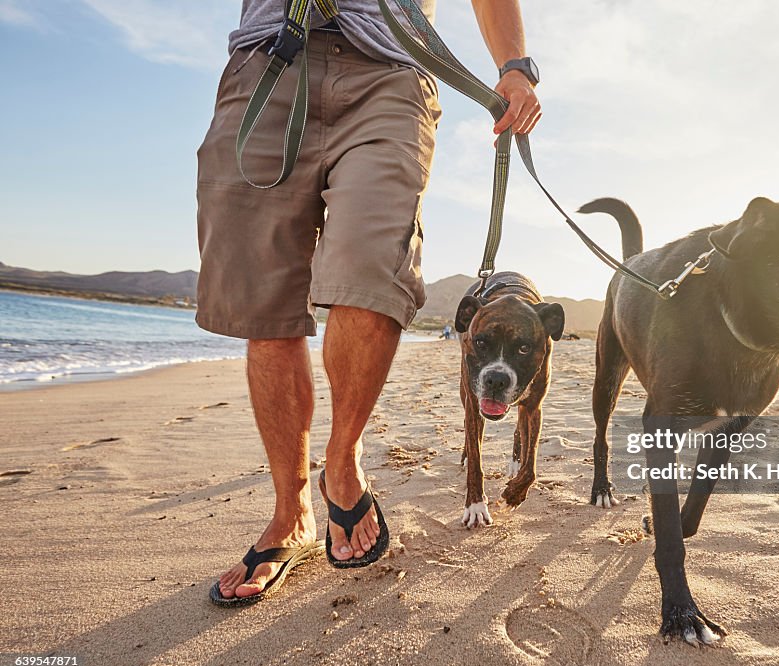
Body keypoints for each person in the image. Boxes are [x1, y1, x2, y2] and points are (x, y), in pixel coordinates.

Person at [198, 0, 542, 603]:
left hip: (392, 68)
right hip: (269, 59)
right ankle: (291, 514)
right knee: (265, 304)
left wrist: (515, 64)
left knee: (374, 271)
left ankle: (342, 460)